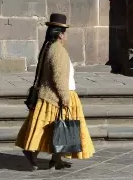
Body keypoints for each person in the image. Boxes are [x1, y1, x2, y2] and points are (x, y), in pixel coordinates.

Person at [15, 13, 95, 171]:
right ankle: (32, 152)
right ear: (59, 34)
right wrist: (65, 98)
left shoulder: (48, 48)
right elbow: (59, 78)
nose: (65, 35)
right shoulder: (58, 50)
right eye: (64, 32)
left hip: (50, 94)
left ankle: (56, 159)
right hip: (57, 96)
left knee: (55, 129)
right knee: (51, 128)